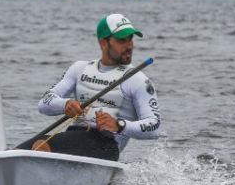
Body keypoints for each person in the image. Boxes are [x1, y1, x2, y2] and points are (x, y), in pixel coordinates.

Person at [18, 13, 160, 161]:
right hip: (73, 136)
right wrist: (65, 104)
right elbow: (44, 103)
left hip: (106, 145)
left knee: (41, 147)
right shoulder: (79, 68)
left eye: (130, 39)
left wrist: (119, 125)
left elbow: (154, 127)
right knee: (13, 153)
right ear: (103, 43)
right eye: (121, 40)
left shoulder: (137, 80)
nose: (129, 46)